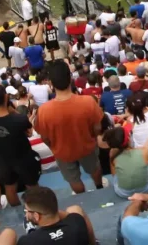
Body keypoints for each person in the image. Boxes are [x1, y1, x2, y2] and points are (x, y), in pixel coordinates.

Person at [36, 59, 105, 194]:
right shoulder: (88, 102)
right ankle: (99, 188)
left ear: (51, 83)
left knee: (73, 180)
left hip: (62, 152)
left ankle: (82, 196)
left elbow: (45, 138)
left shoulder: (43, 110)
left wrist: (54, 146)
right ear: (70, 78)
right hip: (86, 147)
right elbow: (97, 128)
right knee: (95, 169)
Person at [0, 83, 42, 208]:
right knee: (32, 187)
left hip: (2, 160)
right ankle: (37, 208)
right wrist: (12, 110)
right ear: (6, 98)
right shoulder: (19, 119)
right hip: (23, 158)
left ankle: (17, 210)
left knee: (10, 188)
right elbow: (29, 132)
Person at [106, 126, 148, 198]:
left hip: (124, 193)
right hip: (145, 190)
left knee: (116, 177)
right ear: (128, 139)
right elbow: (147, 162)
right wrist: (145, 147)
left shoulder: (113, 155)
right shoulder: (144, 151)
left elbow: (114, 174)